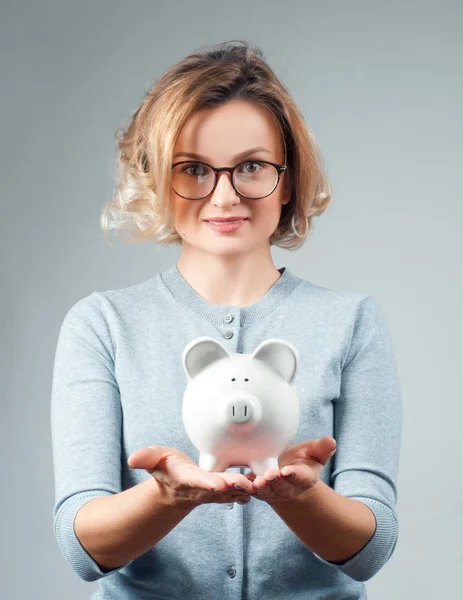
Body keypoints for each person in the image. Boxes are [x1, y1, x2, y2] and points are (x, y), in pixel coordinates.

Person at [51, 40, 402, 600]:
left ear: (287, 180)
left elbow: (372, 546)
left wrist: (300, 496)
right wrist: (168, 496)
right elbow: (83, 546)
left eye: (252, 167)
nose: (224, 195)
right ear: (158, 179)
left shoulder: (351, 322)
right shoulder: (103, 325)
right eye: (193, 170)